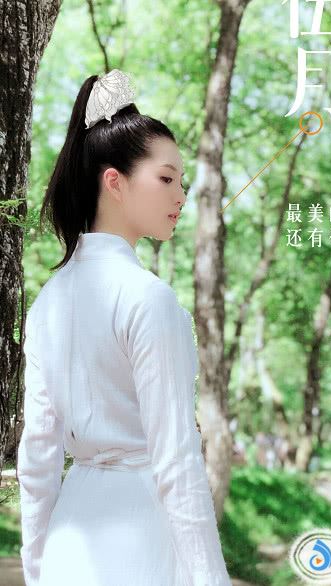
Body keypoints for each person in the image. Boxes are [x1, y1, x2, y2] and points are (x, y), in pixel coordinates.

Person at [16, 69, 232, 586]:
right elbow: (176, 462)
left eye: (182, 182)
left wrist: (37, 567)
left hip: (70, 538)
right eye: (166, 179)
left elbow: (38, 459)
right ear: (114, 181)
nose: (181, 196)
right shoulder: (148, 298)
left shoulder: (46, 304)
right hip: (142, 538)